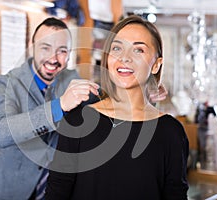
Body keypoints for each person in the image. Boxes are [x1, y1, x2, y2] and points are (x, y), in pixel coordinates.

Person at [0, 17, 167, 200]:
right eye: (46, 48)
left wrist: (143, 92)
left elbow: (111, 102)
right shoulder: (6, 84)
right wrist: (59, 106)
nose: (53, 58)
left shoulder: (72, 79)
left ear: (70, 53)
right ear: (32, 46)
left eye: (62, 51)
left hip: (53, 191)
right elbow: (1, 132)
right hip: (7, 193)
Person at [45, 15, 189, 200]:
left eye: (138, 50)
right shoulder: (78, 121)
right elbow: (57, 192)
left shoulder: (171, 132)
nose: (125, 58)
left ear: (156, 65)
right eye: (117, 48)